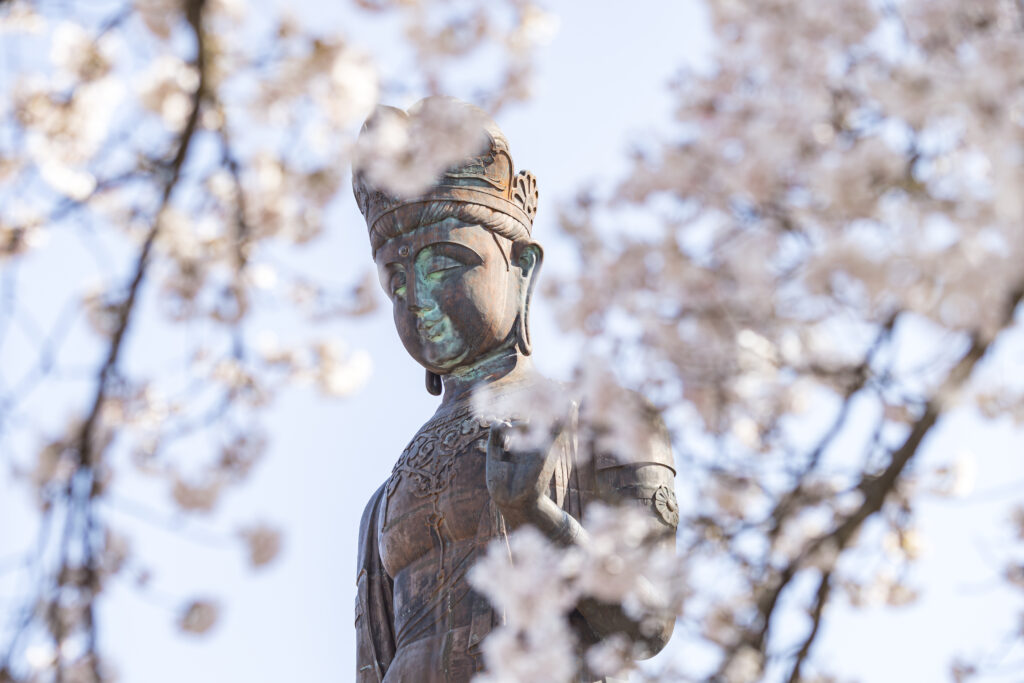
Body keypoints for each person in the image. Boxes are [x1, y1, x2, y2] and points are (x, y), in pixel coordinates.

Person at [352, 97, 677, 683]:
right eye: (396, 283)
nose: (420, 300)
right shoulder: (382, 502)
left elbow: (648, 622)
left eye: (447, 265)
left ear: (521, 268)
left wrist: (537, 513)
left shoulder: (604, 424)